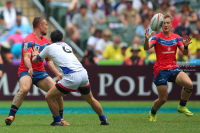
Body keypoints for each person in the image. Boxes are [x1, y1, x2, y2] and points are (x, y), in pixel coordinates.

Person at [32, 30, 109, 126]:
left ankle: (57, 121)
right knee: (90, 99)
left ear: (51, 40)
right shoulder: (67, 45)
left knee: (49, 97)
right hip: (83, 73)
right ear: (62, 39)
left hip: (71, 76)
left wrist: (35, 54)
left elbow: (35, 61)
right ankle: (104, 119)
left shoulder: (49, 48)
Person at [5, 17, 68, 126]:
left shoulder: (46, 42)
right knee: (24, 89)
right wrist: (30, 67)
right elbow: (26, 58)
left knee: (57, 92)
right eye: (46, 25)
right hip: (25, 70)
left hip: (40, 72)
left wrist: (57, 73)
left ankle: (59, 119)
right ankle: (11, 116)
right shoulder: (28, 39)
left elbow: (49, 62)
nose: (47, 27)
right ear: (40, 26)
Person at [144, 14, 193, 122]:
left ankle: (181, 106)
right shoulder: (156, 37)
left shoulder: (177, 38)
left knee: (189, 84)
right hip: (160, 70)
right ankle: (152, 112)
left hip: (173, 68)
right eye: (163, 23)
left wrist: (185, 46)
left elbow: (184, 53)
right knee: (163, 99)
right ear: (160, 25)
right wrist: (146, 40)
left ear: (171, 24)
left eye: (167, 23)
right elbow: (146, 48)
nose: (165, 25)